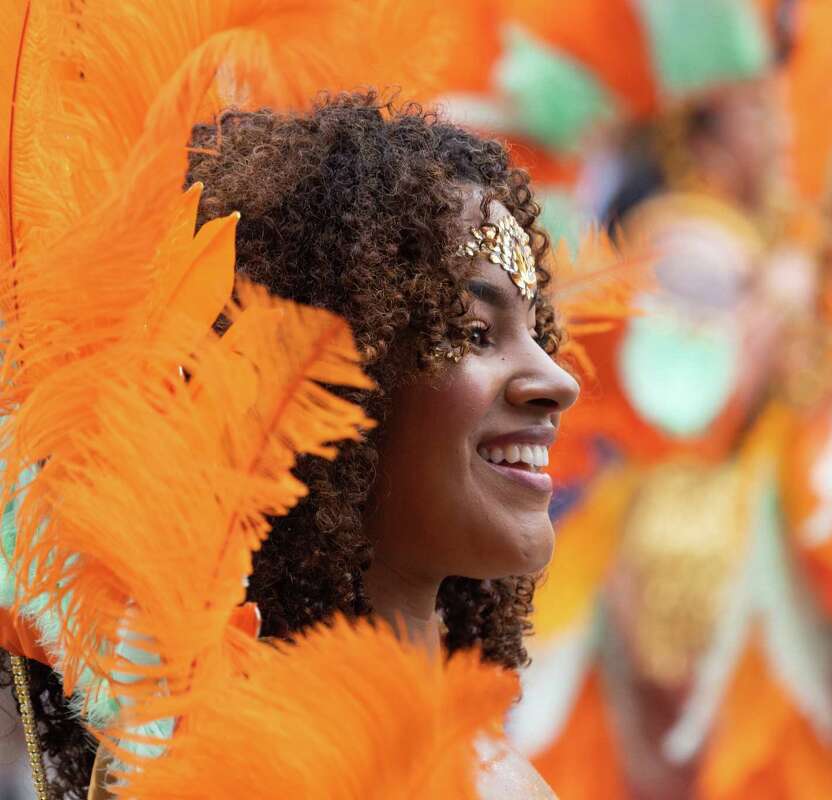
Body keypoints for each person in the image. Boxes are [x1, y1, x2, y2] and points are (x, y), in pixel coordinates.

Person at [3, 91, 580, 798]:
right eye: (471, 332)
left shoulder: (473, 757)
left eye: (538, 336)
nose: (558, 381)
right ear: (328, 385)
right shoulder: (237, 767)